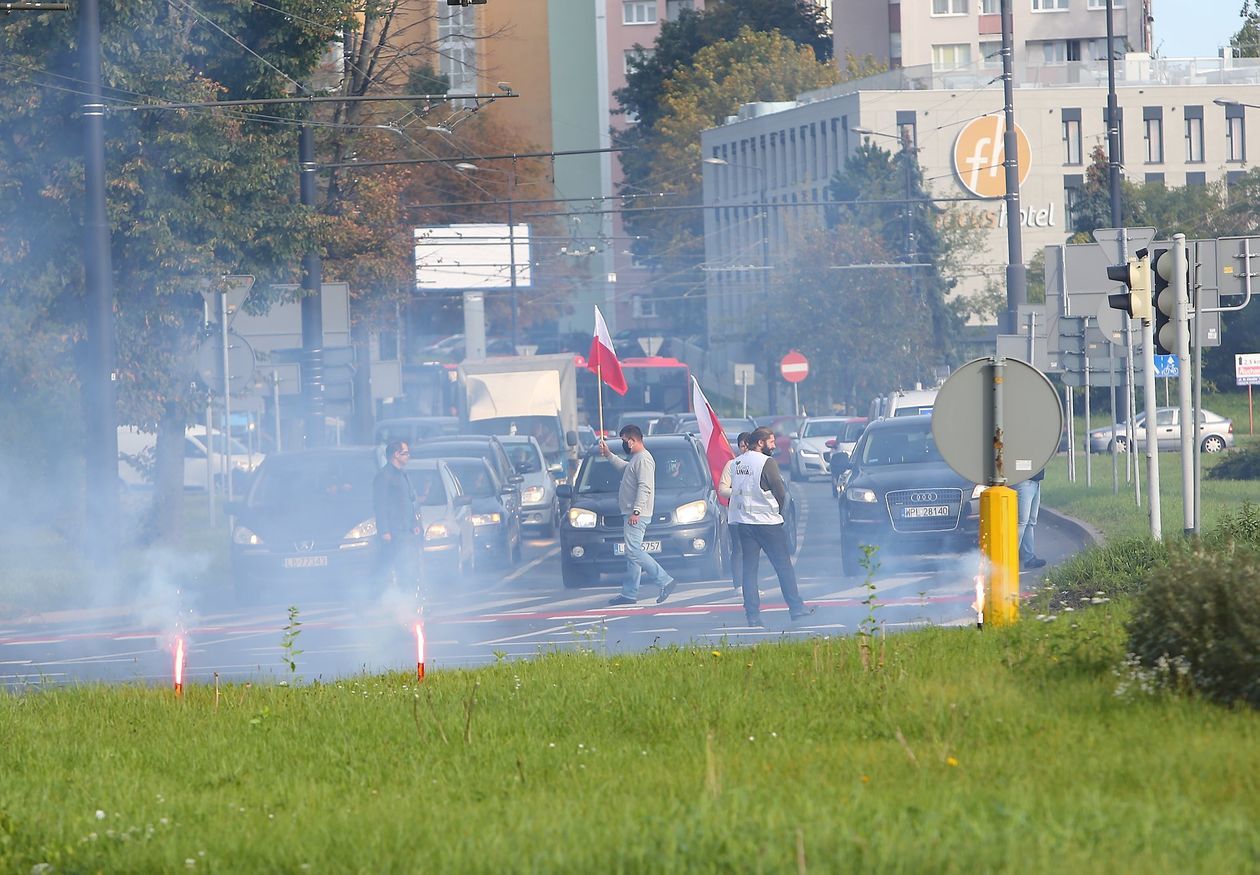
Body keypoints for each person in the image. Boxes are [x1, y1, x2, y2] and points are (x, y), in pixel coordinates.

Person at [730, 427, 812, 627]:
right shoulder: (767, 463)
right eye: (771, 442)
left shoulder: (737, 463)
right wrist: (781, 513)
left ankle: (752, 615)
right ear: (760, 443)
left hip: (744, 523)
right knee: (783, 567)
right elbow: (779, 490)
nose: (774, 446)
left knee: (749, 571)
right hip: (767, 522)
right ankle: (796, 608)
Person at [601, 425, 676, 606]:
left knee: (633, 551)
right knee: (632, 554)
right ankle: (629, 593)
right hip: (632, 512)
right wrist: (609, 455)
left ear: (633, 440)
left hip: (636, 514)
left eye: (624, 441)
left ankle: (665, 580)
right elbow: (626, 469)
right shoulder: (637, 459)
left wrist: (636, 511)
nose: (624, 444)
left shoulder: (643, 459)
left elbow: (645, 487)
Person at [373, 440, 421, 587]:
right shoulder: (384, 476)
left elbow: (408, 501)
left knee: (408, 566)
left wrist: (414, 523)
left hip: (406, 530)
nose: (408, 456)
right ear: (396, 454)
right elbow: (379, 505)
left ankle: (409, 598)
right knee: (396, 566)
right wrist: (385, 530)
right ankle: (392, 598)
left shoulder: (403, 475)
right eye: (405, 453)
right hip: (394, 531)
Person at [718, 432, 751, 592]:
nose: (744, 449)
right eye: (742, 446)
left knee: (751, 550)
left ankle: (750, 584)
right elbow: (722, 489)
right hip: (737, 515)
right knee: (738, 548)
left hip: (755, 516)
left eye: (747, 446)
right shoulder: (732, 465)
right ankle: (738, 584)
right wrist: (738, 492)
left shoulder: (758, 464)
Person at [1016, 467, 1046, 570]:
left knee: (1030, 522)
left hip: (1035, 481)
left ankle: (1029, 558)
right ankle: (1008, 559)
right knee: (1021, 523)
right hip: (1024, 481)